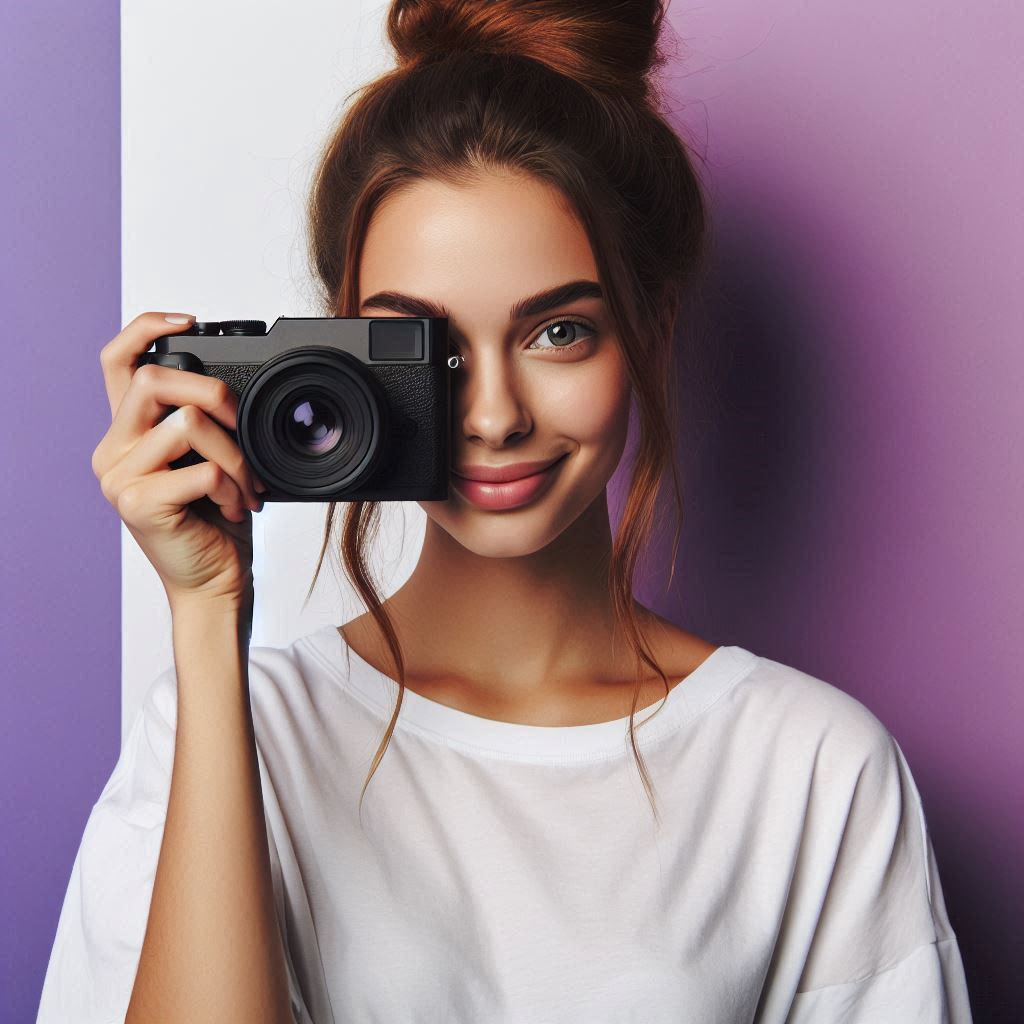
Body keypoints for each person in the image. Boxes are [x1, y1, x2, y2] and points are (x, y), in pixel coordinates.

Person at [37, 1, 973, 1021]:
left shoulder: (809, 771)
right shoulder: (216, 729)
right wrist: (207, 620)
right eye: (422, 348)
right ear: (341, 358)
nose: (490, 415)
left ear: (648, 334)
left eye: (558, 331)